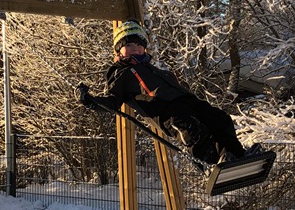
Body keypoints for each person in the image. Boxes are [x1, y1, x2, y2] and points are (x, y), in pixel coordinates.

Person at [78, 21, 252, 165]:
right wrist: (89, 100)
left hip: (185, 100)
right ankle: (211, 164)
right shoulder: (121, 73)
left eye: (139, 45)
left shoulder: (153, 68)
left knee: (219, 117)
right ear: (119, 50)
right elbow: (113, 102)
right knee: (190, 129)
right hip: (163, 109)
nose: (136, 49)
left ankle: (235, 154)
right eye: (129, 45)